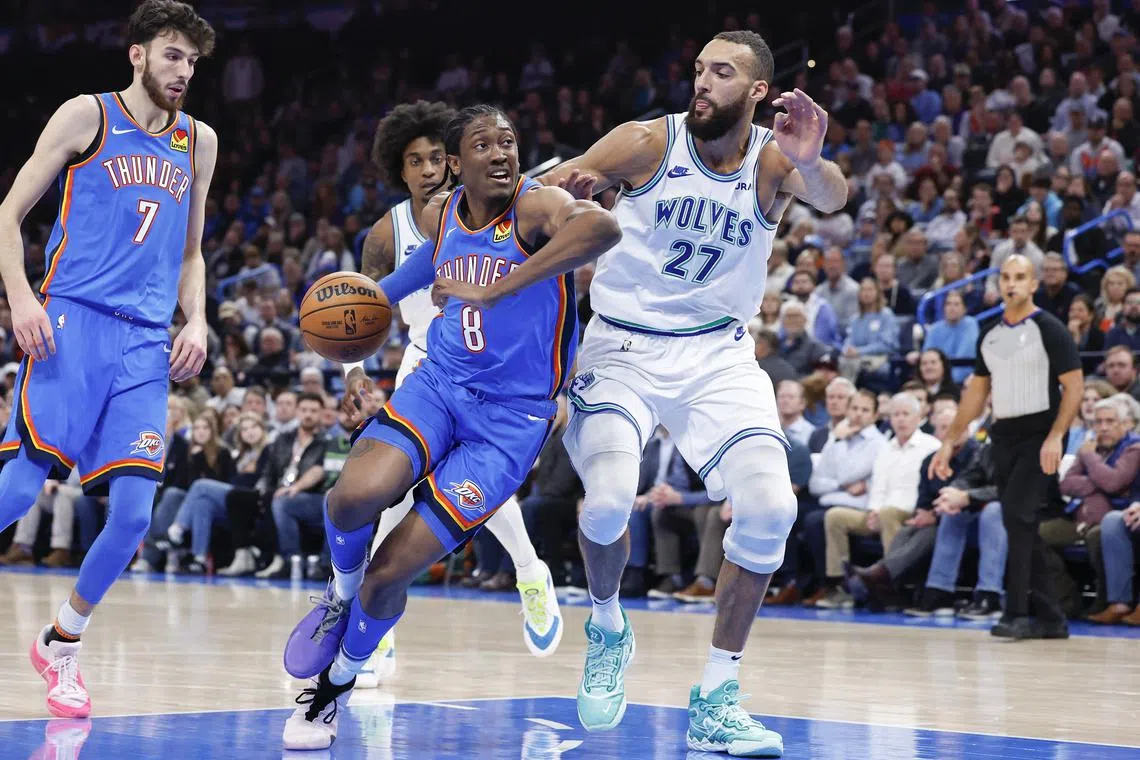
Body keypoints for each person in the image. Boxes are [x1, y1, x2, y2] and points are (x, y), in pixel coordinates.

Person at [279, 105, 621, 751]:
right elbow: (386, 292)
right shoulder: (439, 217)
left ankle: (335, 686)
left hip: (509, 424)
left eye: (510, 142)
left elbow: (601, 228)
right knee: (352, 497)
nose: (500, 154)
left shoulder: (537, 208)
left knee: (390, 573)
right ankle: (336, 595)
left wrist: (498, 288)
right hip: (439, 384)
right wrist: (348, 354)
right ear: (456, 164)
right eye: (483, 145)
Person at [542, 30, 847, 755]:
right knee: (611, 499)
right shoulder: (649, 142)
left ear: (759, 92)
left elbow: (832, 198)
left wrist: (812, 161)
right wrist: (563, 190)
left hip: (718, 354)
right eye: (699, 70)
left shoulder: (774, 159)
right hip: (622, 346)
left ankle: (717, 694)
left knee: (773, 508)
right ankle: (609, 624)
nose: (703, 82)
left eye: (723, 72)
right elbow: (556, 184)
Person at [0, 0, 214, 718]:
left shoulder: (199, 143)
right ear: (137, 53)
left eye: (191, 60)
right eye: (172, 55)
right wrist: (23, 298)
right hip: (71, 322)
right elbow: (7, 213)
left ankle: (64, 640)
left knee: (131, 516)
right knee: (22, 487)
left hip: (146, 343)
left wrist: (200, 319)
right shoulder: (85, 116)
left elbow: (190, 251)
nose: (183, 71)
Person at [347, 101, 563, 685]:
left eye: (431, 160)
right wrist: (354, 373)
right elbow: (366, 307)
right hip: (430, 361)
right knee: (388, 497)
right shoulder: (386, 230)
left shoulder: (474, 210)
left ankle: (529, 571)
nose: (424, 171)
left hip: (497, 370)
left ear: (448, 163)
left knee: (469, 490)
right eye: (412, 162)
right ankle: (378, 632)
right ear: (400, 169)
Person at [931, 254, 1083, 640]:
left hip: (1041, 433)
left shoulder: (1049, 329)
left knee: (1016, 515)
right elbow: (977, 394)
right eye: (1005, 278)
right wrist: (950, 441)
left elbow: (1075, 386)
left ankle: (1016, 613)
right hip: (1004, 436)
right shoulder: (991, 335)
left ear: (1033, 284)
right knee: (1020, 521)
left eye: (1020, 277)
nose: (1011, 284)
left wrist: (1056, 436)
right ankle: (1051, 618)